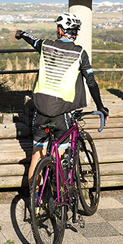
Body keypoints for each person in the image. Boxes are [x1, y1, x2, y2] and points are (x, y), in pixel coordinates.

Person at [14, 13, 110, 190]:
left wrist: (22, 33)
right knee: (60, 154)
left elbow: (32, 39)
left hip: (41, 109)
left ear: (60, 30)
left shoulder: (45, 46)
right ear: (75, 33)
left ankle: (35, 200)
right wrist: (100, 106)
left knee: (37, 155)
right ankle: (60, 196)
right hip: (62, 112)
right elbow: (91, 82)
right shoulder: (80, 53)